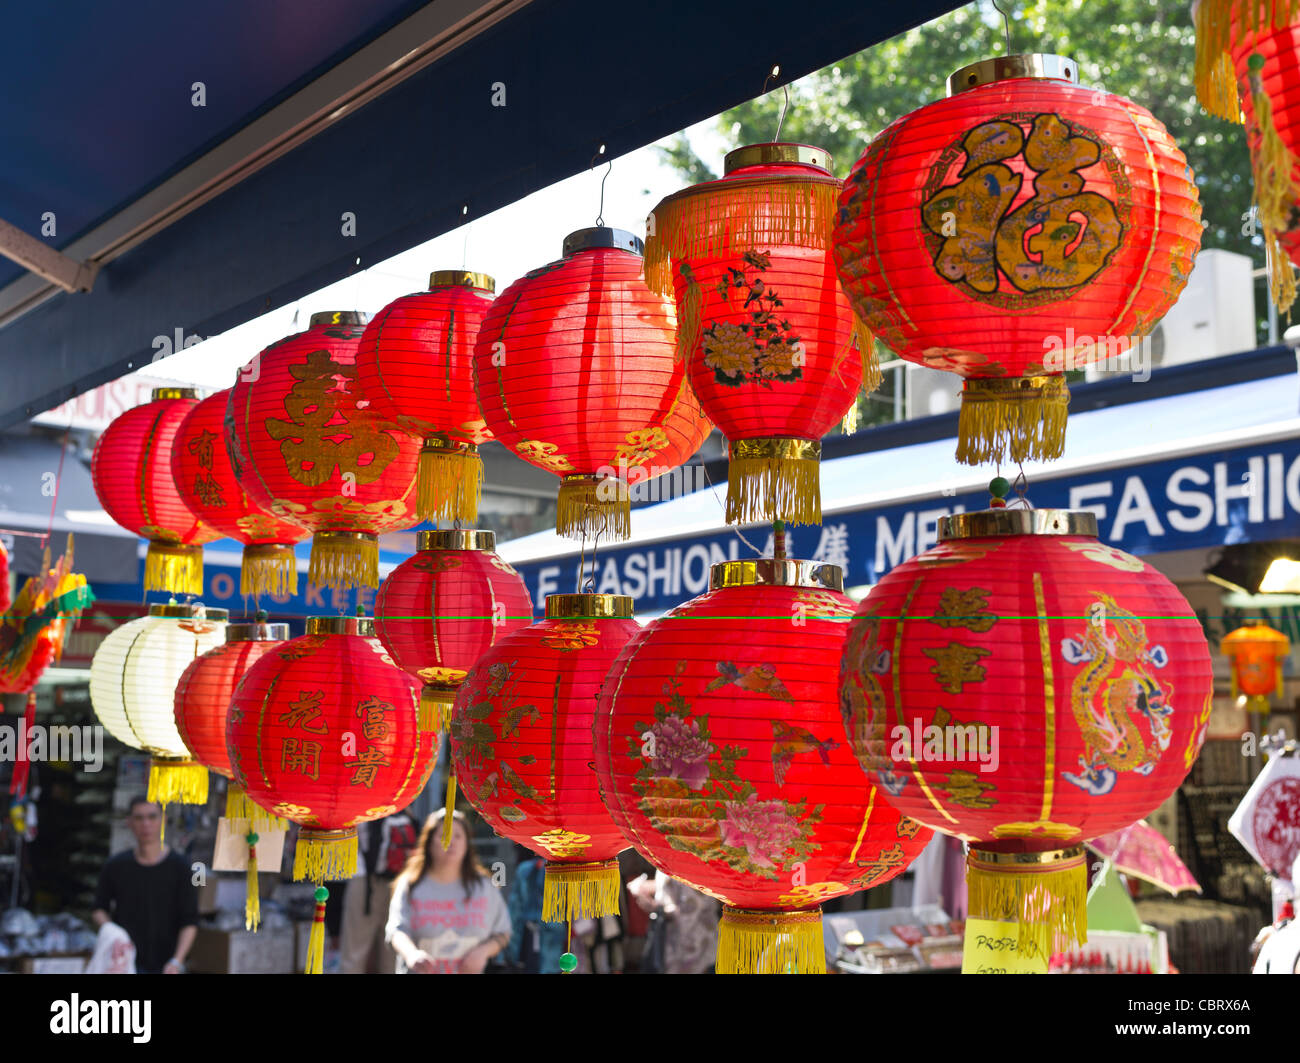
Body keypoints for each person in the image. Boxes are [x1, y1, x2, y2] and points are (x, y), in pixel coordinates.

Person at [386, 809, 510, 974]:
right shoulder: (410, 885)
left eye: (458, 836)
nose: (451, 842)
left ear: (467, 843)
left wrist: (483, 952)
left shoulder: (485, 886)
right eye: (443, 835)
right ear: (428, 842)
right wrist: (412, 955)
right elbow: (396, 931)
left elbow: (502, 933)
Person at [91, 797, 198, 975]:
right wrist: (115, 936)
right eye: (139, 818)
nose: (146, 824)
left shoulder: (182, 867)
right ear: (129, 822)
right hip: (125, 962)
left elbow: (190, 921)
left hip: (168, 965)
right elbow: (98, 909)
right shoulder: (116, 865)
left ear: (163, 819)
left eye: (152, 816)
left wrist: (177, 960)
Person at [339, 811, 418, 974]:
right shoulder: (403, 804)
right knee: (390, 956)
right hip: (396, 883)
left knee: (354, 953)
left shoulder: (363, 803)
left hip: (365, 881)